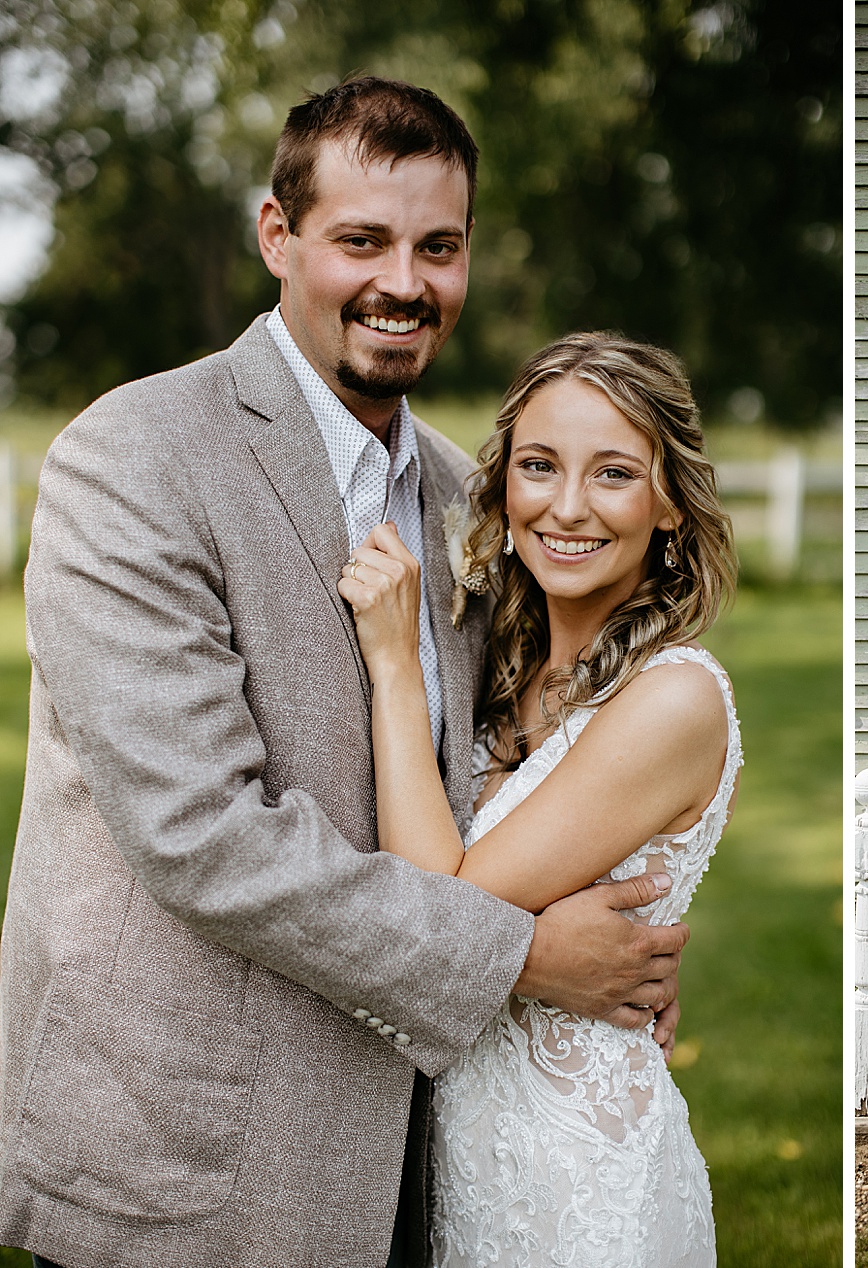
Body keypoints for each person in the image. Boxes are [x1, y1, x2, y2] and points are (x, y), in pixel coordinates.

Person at [0, 78, 686, 1268]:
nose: (404, 283)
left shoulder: (464, 494)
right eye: (361, 240)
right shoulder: (134, 458)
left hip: (413, 1154)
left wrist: (626, 931)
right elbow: (203, 834)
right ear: (279, 235)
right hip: (186, 1160)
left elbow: (511, 769)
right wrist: (528, 958)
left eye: (439, 246)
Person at [338, 332, 738, 1266]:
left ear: (669, 501)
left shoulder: (674, 697)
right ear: (502, 483)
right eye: (539, 466)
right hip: (467, 1156)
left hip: (583, 1173)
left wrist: (396, 665)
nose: (567, 507)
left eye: (611, 473)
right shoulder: (500, 662)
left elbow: (443, 892)